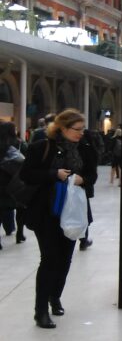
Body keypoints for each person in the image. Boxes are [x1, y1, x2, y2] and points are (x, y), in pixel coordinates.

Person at [21, 109, 97, 329]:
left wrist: (84, 179)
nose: (81, 133)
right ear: (62, 128)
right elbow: (27, 174)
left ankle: (55, 297)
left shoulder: (85, 148)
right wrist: (53, 174)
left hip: (73, 212)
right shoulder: (41, 147)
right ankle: (40, 311)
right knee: (49, 259)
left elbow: (92, 175)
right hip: (47, 212)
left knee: (65, 259)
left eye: (83, 129)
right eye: (77, 129)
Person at [0, 121, 28, 247]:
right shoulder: (19, 143)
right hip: (17, 180)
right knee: (20, 208)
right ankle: (19, 234)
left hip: (2, 181)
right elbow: (28, 160)